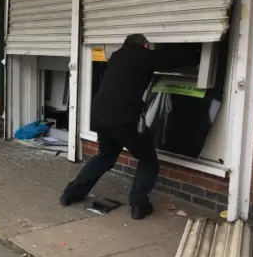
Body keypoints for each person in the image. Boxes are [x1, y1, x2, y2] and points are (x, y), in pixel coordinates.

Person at [60, 34, 199, 220]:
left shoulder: (116, 56)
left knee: (105, 156)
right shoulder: (143, 56)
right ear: (145, 45)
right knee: (148, 160)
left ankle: (71, 193)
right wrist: (196, 52)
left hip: (101, 116)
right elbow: (174, 59)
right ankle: (138, 205)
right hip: (124, 119)